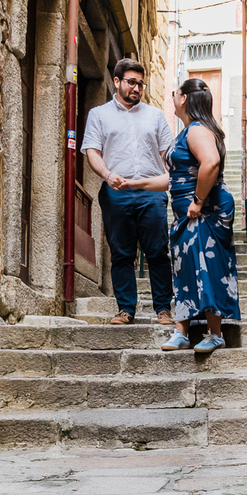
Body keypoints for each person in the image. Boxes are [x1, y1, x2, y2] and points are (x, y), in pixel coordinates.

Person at [123, 78, 241, 354]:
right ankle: (182, 332)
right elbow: (175, 179)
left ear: (185, 99)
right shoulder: (190, 130)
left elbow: (210, 162)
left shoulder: (198, 130)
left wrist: (198, 201)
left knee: (207, 265)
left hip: (206, 210)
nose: (173, 98)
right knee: (185, 267)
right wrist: (134, 183)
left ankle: (215, 333)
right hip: (189, 211)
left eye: (176, 94)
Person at [81, 58, 176, 326]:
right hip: (115, 191)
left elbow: (167, 155)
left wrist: (173, 179)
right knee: (121, 253)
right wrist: (108, 175)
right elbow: (92, 152)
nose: (137, 88)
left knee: (158, 250)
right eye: (131, 82)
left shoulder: (155, 116)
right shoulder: (99, 115)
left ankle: (163, 309)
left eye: (140, 84)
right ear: (117, 82)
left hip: (151, 192)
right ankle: (126, 310)